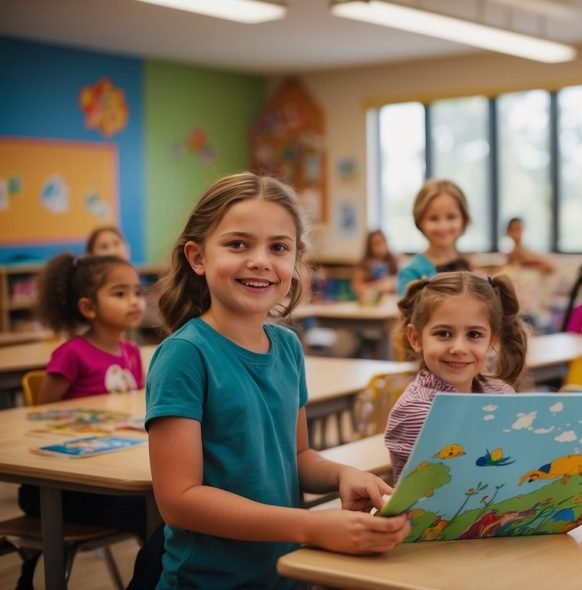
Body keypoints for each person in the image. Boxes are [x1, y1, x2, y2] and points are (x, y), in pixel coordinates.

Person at [145, 172, 409, 588]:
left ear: (294, 262)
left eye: (279, 247)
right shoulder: (185, 355)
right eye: (238, 244)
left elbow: (298, 456)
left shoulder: (286, 346)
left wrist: (343, 475)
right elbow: (179, 501)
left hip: (286, 576)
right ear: (197, 257)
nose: (261, 260)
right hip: (208, 581)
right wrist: (310, 527)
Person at [384, 271, 582, 524]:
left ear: (492, 340)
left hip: (495, 540)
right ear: (416, 338)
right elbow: (429, 505)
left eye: (474, 334)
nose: (458, 347)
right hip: (429, 550)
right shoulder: (416, 410)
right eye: (443, 333)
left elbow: (512, 490)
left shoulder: (500, 394)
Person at [16, 253, 147, 588]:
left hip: (110, 473)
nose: (134, 301)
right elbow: (39, 417)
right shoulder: (72, 354)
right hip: (63, 489)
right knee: (156, 513)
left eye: (137, 292)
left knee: (163, 505)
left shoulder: (131, 352)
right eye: (120, 294)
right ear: (88, 308)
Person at [396, 179, 472, 295]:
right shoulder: (411, 273)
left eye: (451, 217)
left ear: (464, 219)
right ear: (420, 222)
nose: (443, 226)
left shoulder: (471, 267)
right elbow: (406, 310)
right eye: (433, 218)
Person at [352, 229, 400, 303]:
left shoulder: (392, 263)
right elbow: (357, 289)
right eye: (377, 244)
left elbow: (397, 285)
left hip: (389, 305)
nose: (381, 247)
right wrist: (379, 286)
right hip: (371, 306)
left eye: (383, 242)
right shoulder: (364, 265)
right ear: (369, 246)